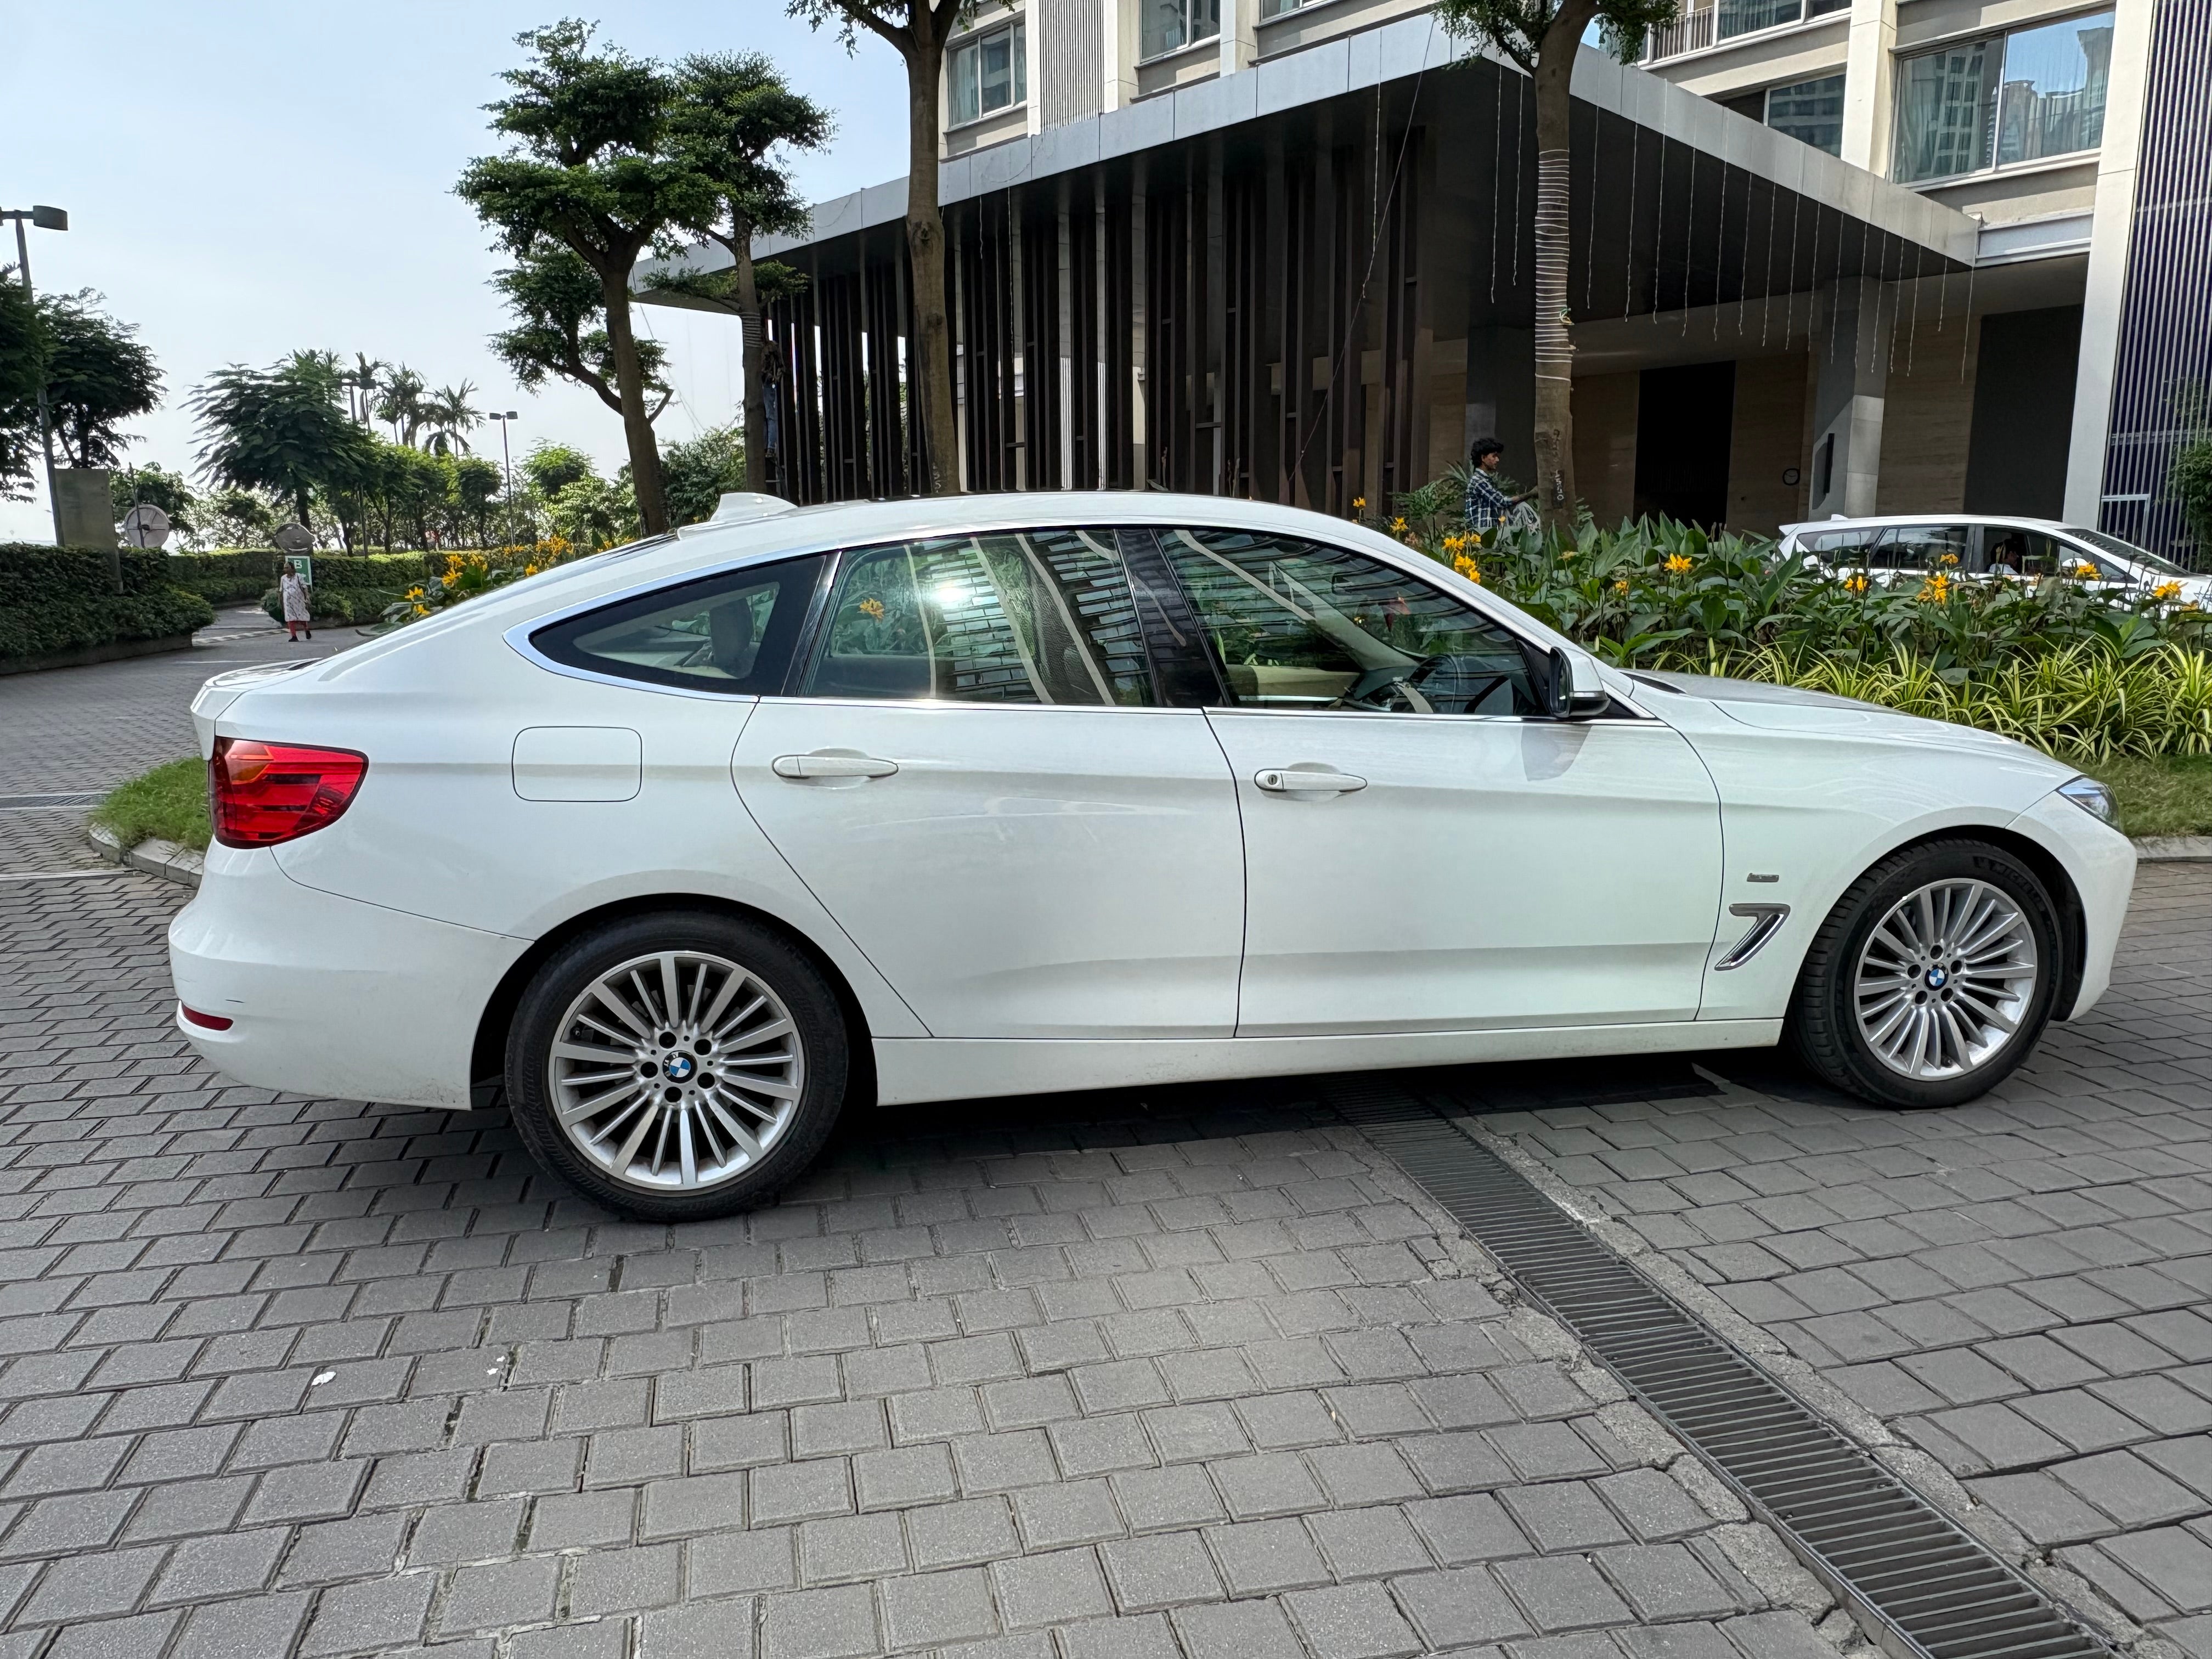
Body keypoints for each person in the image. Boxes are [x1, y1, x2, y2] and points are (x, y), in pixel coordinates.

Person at [1464, 437, 1536, 535]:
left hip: (1488, 533)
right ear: (1483, 458)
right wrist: (1531, 494)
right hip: (1482, 534)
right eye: (1494, 456)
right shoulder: (1479, 482)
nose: (1497, 460)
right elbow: (1502, 502)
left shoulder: (1484, 480)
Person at [279, 568, 313, 641]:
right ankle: (294, 636)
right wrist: (281, 600)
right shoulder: (283, 578)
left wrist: (307, 597)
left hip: (298, 600)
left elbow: (304, 587)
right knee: (290, 619)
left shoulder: (298, 576)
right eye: (285, 568)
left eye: (287, 567)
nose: (286, 569)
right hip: (288, 602)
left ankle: (306, 629)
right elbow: (281, 590)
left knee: (301, 617)